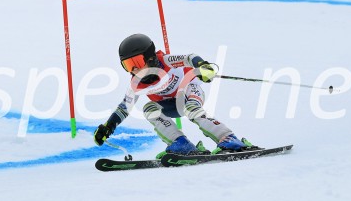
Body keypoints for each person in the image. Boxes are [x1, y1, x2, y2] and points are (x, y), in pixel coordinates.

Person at [93, 34, 259, 156]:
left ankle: (228, 138)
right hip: (169, 106)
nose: (134, 70)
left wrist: (203, 67)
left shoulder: (166, 61)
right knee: (149, 108)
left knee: (191, 108)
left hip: (189, 91)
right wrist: (108, 127)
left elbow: (190, 58)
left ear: (150, 58)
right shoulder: (137, 83)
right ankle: (181, 144)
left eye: (136, 62)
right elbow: (124, 108)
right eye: (128, 65)